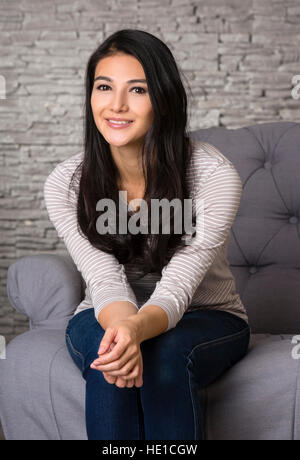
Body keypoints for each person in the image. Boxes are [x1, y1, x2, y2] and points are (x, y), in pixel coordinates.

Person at [44, 29, 250, 440]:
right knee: (110, 356)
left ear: (164, 98)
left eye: (137, 89)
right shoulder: (66, 182)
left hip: (205, 314)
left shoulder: (214, 175)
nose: (116, 105)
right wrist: (125, 333)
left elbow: (180, 284)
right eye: (104, 87)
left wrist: (139, 331)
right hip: (104, 311)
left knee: (164, 354)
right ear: (91, 96)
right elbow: (102, 278)